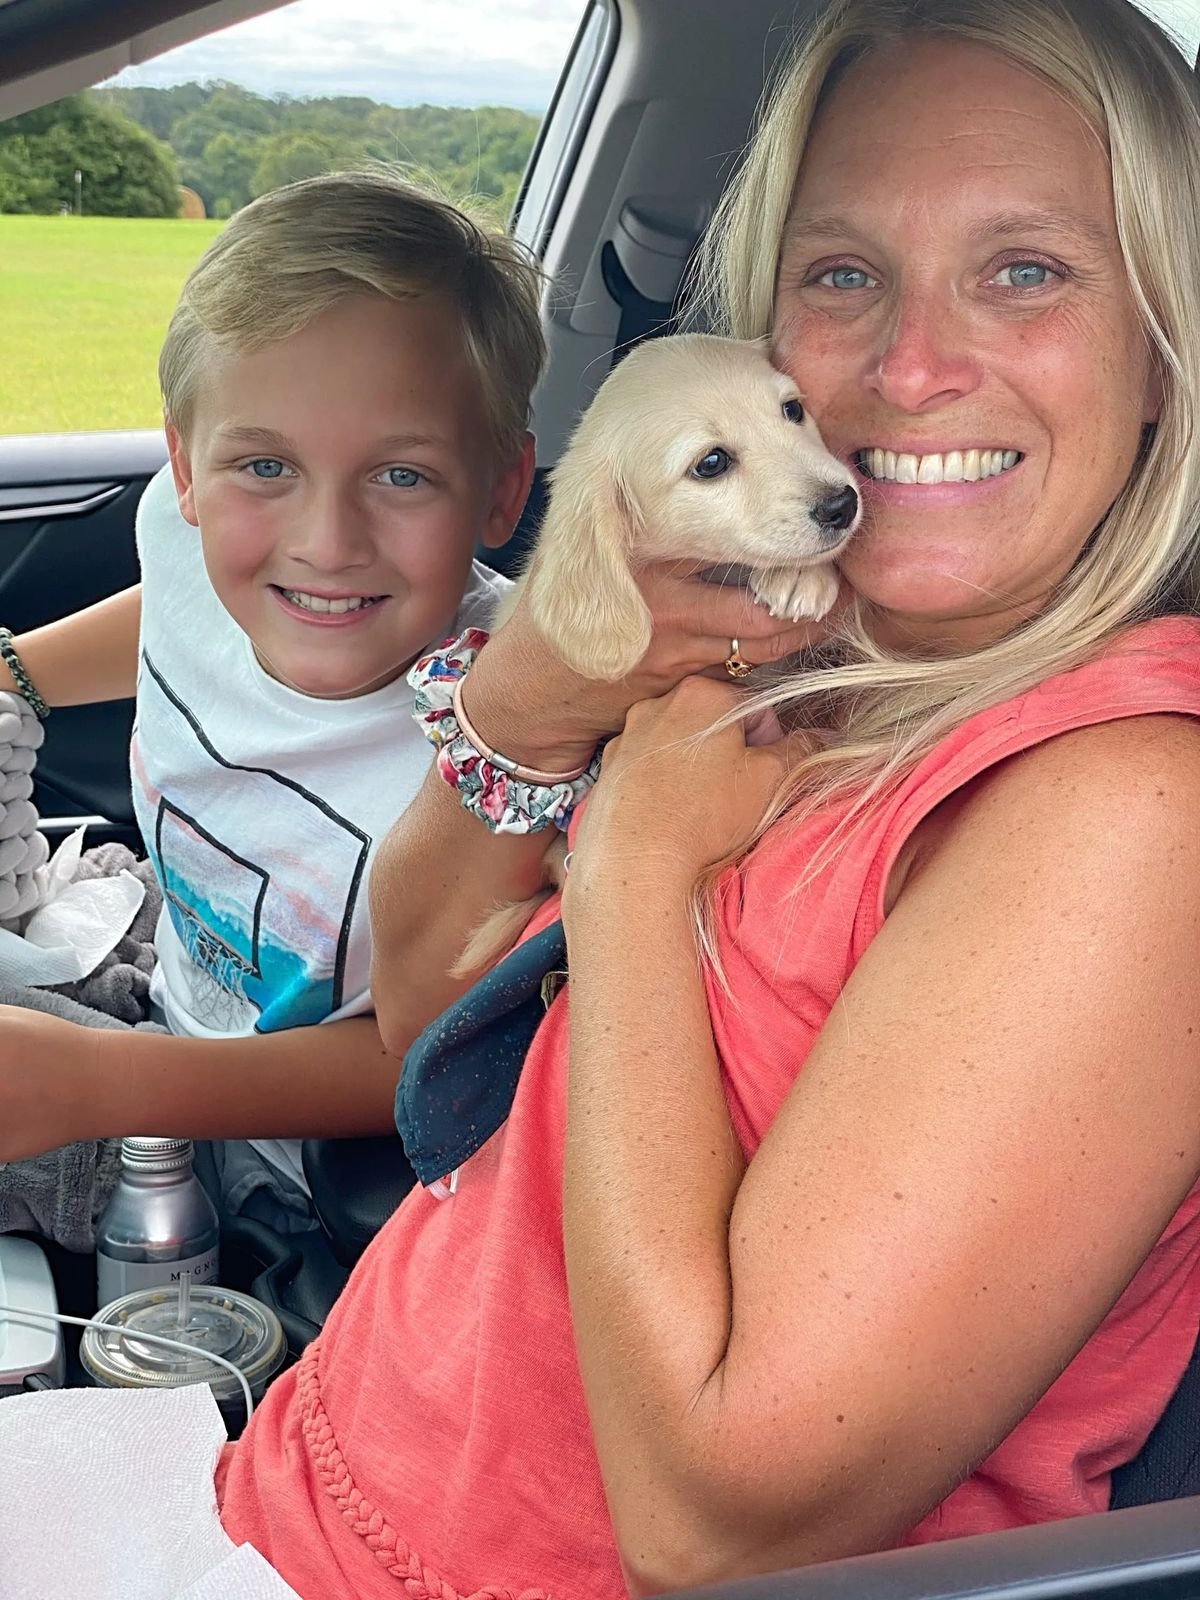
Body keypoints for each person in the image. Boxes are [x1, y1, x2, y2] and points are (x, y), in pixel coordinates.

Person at [219, 0, 1200, 1592]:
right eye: (843, 274)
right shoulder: (784, 645)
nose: (909, 367)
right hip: (309, 1475)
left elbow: (718, 1524)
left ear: (1164, 343)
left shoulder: (1132, 812)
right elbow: (423, 1015)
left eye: (1026, 270)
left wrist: (631, 871)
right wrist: (532, 702)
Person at [0, 170, 556, 1229]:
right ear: (185, 468)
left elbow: (414, 1055)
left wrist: (96, 1083)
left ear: (502, 490)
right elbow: (175, 603)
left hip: (278, 1160)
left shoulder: (508, 738)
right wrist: (15, 672)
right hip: (158, 979)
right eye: (265, 466)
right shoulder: (182, 532)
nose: (326, 544)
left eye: (402, 477)